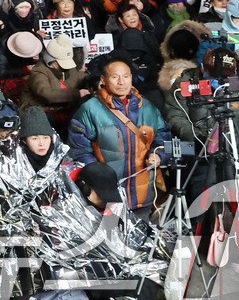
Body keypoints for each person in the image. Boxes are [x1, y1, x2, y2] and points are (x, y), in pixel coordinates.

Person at [68, 58, 169, 213]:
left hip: (143, 195)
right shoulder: (90, 110)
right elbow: (80, 151)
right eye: (115, 77)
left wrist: (159, 155)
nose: (121, 82)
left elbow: (163, 137)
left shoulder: (148, 108)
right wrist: (100, 179)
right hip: (109, 199)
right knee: (110, 233)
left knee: (141, 235)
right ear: (103, 80)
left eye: (126, 76)